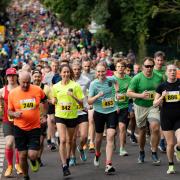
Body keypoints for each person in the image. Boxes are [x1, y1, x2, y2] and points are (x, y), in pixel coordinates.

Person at [8, 71, 47, 180]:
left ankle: (34, 160)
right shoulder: (13, 93)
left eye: (28, 83)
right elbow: (9, 111)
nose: (25, 85)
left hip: (34, 127)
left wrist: (44, 115)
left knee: (32, 155)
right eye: (23, 83)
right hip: (19, 128)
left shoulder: (37, 89)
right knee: (22, 155)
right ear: (18, 81)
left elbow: (45, 101)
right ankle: (26, 176)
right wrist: (14, 114)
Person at [127, 57, 163, 165]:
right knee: (142, 130)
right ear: (143, 67)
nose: (149, 68)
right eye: (147, 66)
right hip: (140, 106)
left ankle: (154, 152)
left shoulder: (159, 77)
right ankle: (141, 152)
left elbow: (163, 90)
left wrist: (161, 99)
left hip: (153, 106)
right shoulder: (137, 78)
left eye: (151, 66)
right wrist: (141, 95)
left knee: (155, 127)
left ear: (153, 66)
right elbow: (129, 93)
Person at [52, 64, 84, 176]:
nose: (66, 74)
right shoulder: (55, 86)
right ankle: (64, 165)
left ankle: (67, 158)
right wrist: (53, 100)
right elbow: (54, 98)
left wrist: (73, 96)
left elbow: (81, 103)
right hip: (60, 115)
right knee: (63, 139)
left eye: (67, 72)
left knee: (70, 140)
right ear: (60, 73)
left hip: (72, 116)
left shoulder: (75, 86)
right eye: (64, 72)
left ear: (70, 73)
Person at [88, 62, 119, 174]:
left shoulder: (111, 79)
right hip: (99, 112)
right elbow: (89, 101)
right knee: (98, 139)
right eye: (99, 72)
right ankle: (97, 153)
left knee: (110, 136)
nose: (101, 74)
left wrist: (117, 93)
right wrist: (97, 96)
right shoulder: (93, 84)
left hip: (111, 111)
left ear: (106, 71)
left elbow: (116, 83)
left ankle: (108, 164)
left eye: (103, 71)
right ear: (96, 72)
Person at [153, 64, 180, 174]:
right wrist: (162, 97)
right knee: (170, 144)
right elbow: (154, 104)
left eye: (174, 70)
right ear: (166, 73)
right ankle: (171, 165)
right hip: (166, 118)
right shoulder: (161, 86)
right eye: (170, 70)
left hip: (179, 117)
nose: (172, 72)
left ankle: (178, 149)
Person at [0, 68, 23, 177]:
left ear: (16, 77)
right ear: (6, 77)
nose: (11, 78)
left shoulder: (21, 89)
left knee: (18, 144)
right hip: (7, 120)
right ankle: (9, 166)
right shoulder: (2, 90)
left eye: (13, 75)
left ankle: (17, 165)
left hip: (20, 119)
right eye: (9, 76)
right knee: (9, 143)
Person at [69, 62, 90, 166]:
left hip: (82, 111)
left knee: (84, 137)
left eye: (78, 69)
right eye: (74, 69)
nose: (76, 71)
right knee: (72, 138)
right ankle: (73, 157)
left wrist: (90, 103)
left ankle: (81, 147)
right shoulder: (67, 80)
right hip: (71, 112)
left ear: (81, 70)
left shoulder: (86, 80)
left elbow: (90, 93)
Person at [113, 59, 132, 156]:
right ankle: (113, 142)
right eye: (118, 67)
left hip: (124, 106)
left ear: (125, 68)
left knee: (122, 127)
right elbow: (108, 94)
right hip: (112, 107)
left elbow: (132, 92)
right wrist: (114, 105)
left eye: (122, 67)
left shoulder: (129, 79)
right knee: (113, 131)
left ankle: (122, 148)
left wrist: (131, 107)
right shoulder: (111, 79)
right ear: (116, 68)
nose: (120, 68)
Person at [153, 51, 167, 152]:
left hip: (162, 99)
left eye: (161, 60)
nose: (159, 62)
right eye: (158, 60)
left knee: (162, 121)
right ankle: (154, 138)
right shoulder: (150, 70)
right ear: (154, 60)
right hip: (150, 99)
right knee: (154, 125)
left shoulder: (165, 71)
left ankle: (162, 141)